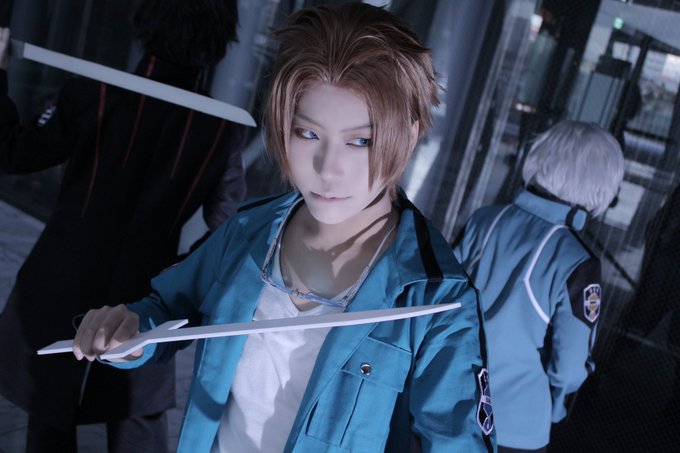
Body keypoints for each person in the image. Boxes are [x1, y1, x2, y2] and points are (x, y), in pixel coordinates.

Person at [72, 3, 495, 452]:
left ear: (408, 135)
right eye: (308, 134)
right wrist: (129, 332)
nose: (327, 168)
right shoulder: (250, 231)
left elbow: (458, 442)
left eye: (360, 141)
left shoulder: (435, 296)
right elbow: (167, 305)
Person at [0, 1, 245, 451]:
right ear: (221, 38)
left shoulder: (93, 91)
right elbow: (228, 231)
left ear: (145, 21)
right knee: (136, 425)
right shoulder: (219, 129)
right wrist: (180, 278)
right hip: (147, 297)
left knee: (51, 423)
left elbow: (13, 152)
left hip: (59, 281)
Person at [453, 120, 624, 453]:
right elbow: (569, 368)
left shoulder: (484, 220)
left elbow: (438, 300)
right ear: (602, 182)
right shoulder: (577, 260)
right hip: (514, 426)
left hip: (443, 403)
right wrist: (559, 401)